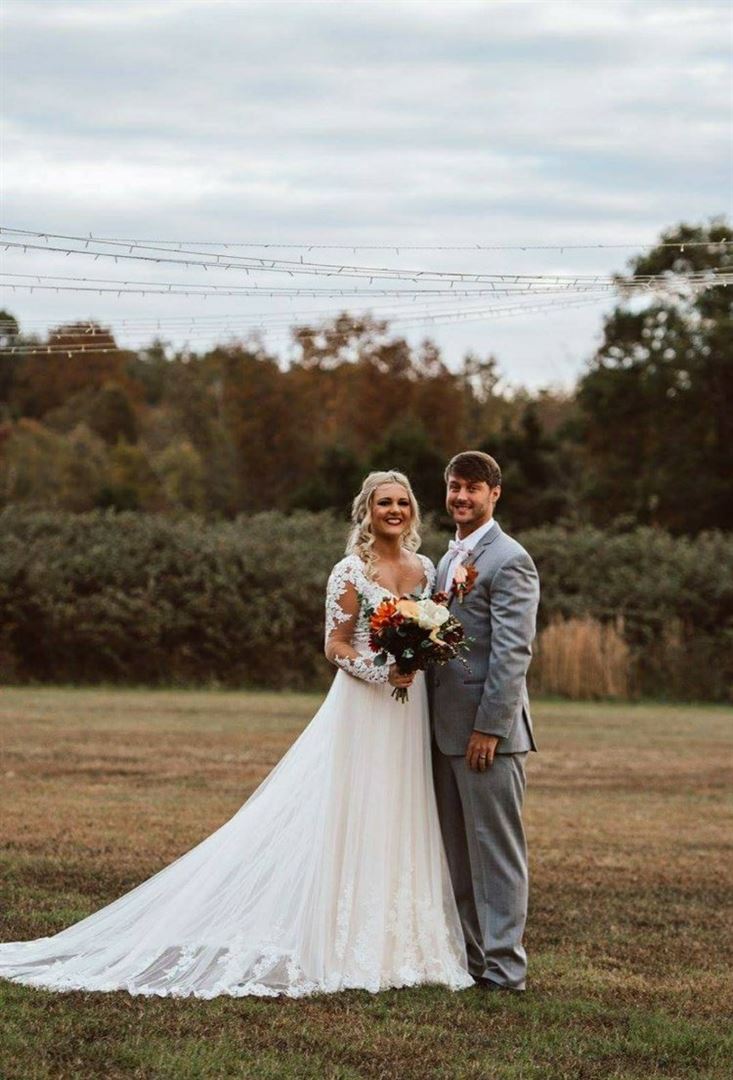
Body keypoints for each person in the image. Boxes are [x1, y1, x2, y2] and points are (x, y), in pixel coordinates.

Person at [0, 471, 472, 998]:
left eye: (402, 502)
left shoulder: (426, 567)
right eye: (384, 502)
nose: (394, 510)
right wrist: (381, 672)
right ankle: (342, 943)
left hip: (408, 709)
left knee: (400, 807)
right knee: (354, 809)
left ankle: (400, 944)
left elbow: (432, 628)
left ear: (412, 510)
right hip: (364, 705)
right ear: (367, 510)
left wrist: (418, 656)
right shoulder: (349, 571)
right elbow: (335, 645)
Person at [430, 451, 540, 992]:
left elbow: (513, 652)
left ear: (494, 494)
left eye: (473, 488)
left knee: (495, 855)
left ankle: (505, 970)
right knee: (458, 855)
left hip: (485, 735)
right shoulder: (447, 558)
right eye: (455, 486)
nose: (462, 497)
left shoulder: (510, 559)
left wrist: (490, 728)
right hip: (443, 730)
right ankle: (474, 962)